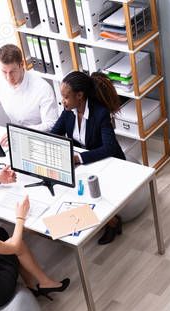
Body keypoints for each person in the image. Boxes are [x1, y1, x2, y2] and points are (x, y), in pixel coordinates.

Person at [51, 70, 126, 244]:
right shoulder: (68, 111)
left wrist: (78, 158)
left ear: (80, 96)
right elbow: (55, 134)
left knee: (88, 190)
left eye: (66, 97)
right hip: (86, 163)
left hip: (107, 162)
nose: (63, 101)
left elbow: (109, 147)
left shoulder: (100, 113)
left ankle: (113, 222)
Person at [0, 44, 62, 146]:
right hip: (15, 140)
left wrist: (18, 132)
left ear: (21, 65)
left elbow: (50, 124)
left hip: (39, 140)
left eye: (12, 72)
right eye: (4, 72)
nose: (8, 78)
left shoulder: (42, 88)